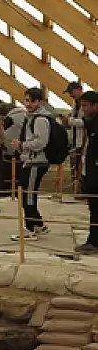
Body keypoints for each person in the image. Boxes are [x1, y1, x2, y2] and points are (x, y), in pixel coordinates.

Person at [11, 87, 53, 240]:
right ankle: (38, 224)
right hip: (31, 160)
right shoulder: (31, 117)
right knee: (26, 194)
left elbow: (41, 142)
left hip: (36, 161)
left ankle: (30, 229)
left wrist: (22, 145)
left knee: (27, 196)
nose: (28, 104)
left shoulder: (40, 119)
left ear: (40, 102)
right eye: (26, 100)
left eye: (32, 101)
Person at [75, 90, 98, 254]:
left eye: (85, 106)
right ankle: (93, 240)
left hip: (96, 173)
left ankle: (94, 242)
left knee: (96, 208)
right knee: (93, 207)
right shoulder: (92, 121)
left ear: (95, 106)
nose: (83, 109)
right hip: (91, 170)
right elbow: (83, 123)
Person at [64, 81, 86, 192]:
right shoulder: (76, 104)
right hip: (75, 141)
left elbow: (86, 122)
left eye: (72, 92)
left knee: (81, 168)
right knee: (75, 167)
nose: (71, 95)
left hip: (83, 141)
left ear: (79, 90)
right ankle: (77, 190)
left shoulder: (86, 104)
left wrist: (70, 121)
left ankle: (82, 191)